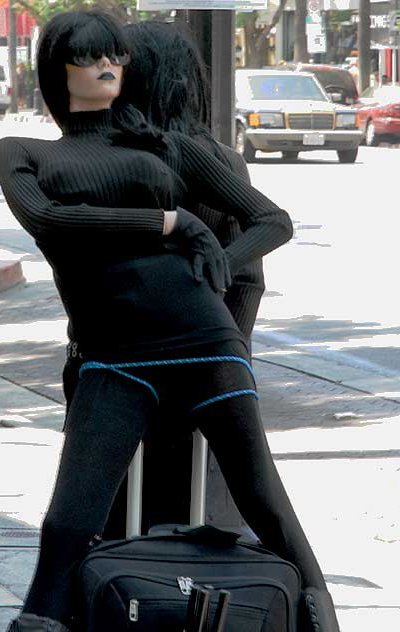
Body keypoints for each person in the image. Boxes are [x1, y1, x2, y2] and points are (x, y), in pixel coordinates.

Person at [0, 10, 338, 632]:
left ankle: (322, 617)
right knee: (68, 521)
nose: (108, 67)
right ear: (56, 70)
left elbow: (273, 220)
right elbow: (49, 222)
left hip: (204, 339)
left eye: (116, 58)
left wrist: (214, 269)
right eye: (90, 57)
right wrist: (171, 224)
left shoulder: (166, 146)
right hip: (114, 355)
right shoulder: (23, 152)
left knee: (266, 502)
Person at [62, 19, 264, 537]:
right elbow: (247, 281)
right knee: (190, 520)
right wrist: (223, 359)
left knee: (103, 522)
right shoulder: (224, 161)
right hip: (207, 371)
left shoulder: (101, 161)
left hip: (111, 367)